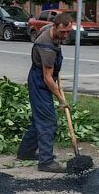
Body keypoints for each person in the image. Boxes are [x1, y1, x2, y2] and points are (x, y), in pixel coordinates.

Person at [17, 12, 74, 173]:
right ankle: (46, 162)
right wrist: (61, 99)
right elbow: (48, 78)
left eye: (68, 32)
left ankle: (25, 153)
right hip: (40, 83)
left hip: (41, 78)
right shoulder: (47, 46)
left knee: (38, 120)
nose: (65, 35)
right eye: (62, 32)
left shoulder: (50, 29)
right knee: (48, 121)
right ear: (55, 27)